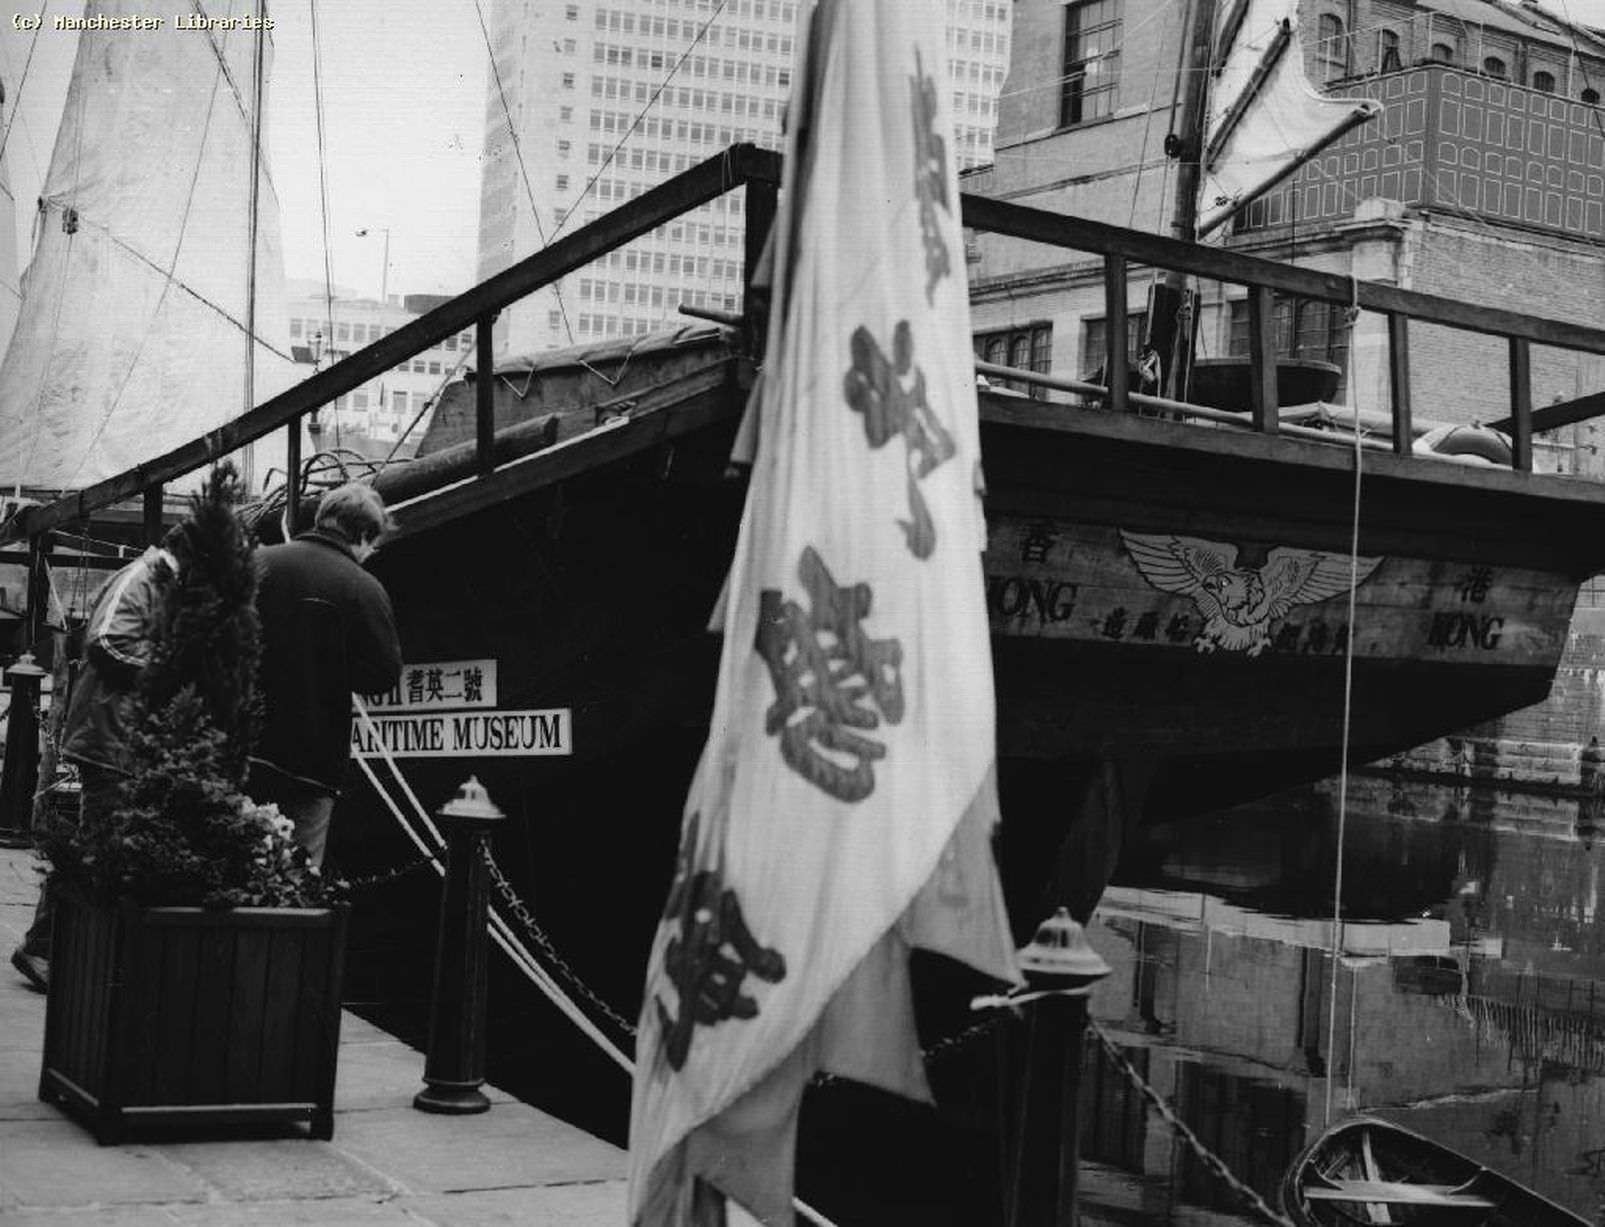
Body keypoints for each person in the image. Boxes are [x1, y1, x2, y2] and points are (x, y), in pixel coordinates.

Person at [10, 541, 178, 992]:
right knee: (96, 844)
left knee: (97, 843)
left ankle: (54, 946)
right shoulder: (144, 578)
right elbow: (106, 641)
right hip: (111, 735)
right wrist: (169, 674)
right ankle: (43, 946)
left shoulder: (149, 578)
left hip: (115, 732)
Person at [247, 481, 402, 867]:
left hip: (244, 747)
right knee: (297, 876)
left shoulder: (257, 563)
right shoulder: (364, 589)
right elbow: (382, 677)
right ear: (364, 535)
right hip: (312, 762)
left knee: (233, 859)